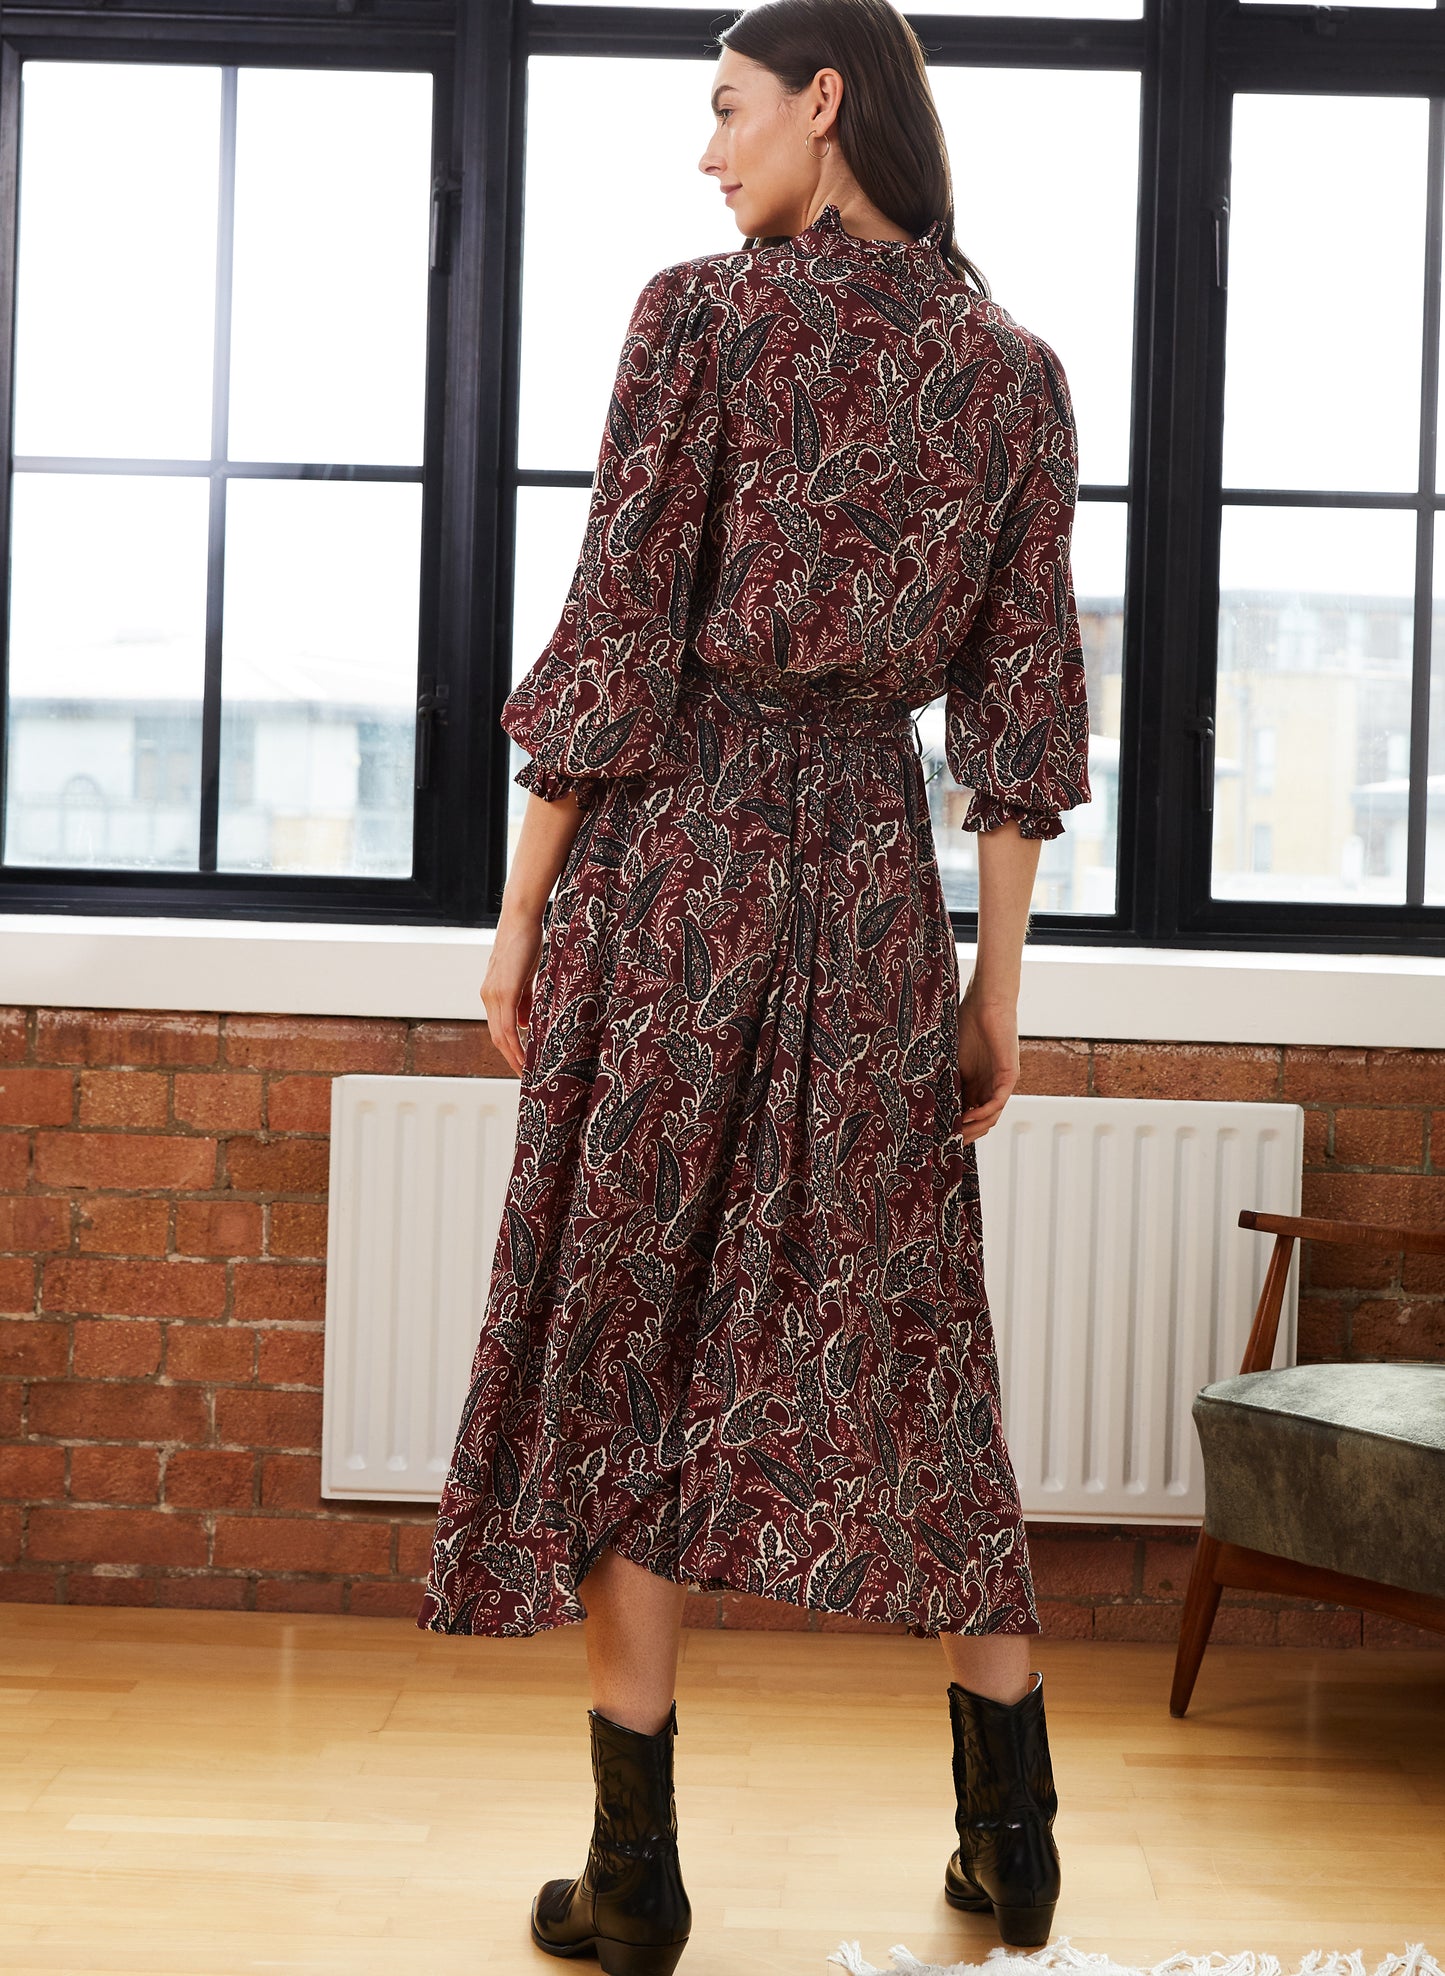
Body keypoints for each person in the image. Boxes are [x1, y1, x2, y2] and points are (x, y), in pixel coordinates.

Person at [416, 0, 1091, 1966]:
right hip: (874, 890)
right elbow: (1022, 719)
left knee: (631, 1336)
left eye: (725, 109)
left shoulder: (700, 321)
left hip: (678, 872)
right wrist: (993, 994)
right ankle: (1014, 1835)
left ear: (823, 99)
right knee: (914, 1345)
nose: (707, 154)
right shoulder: (1014, 376)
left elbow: (620, 631)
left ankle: (633, 1879)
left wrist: (520, 913)